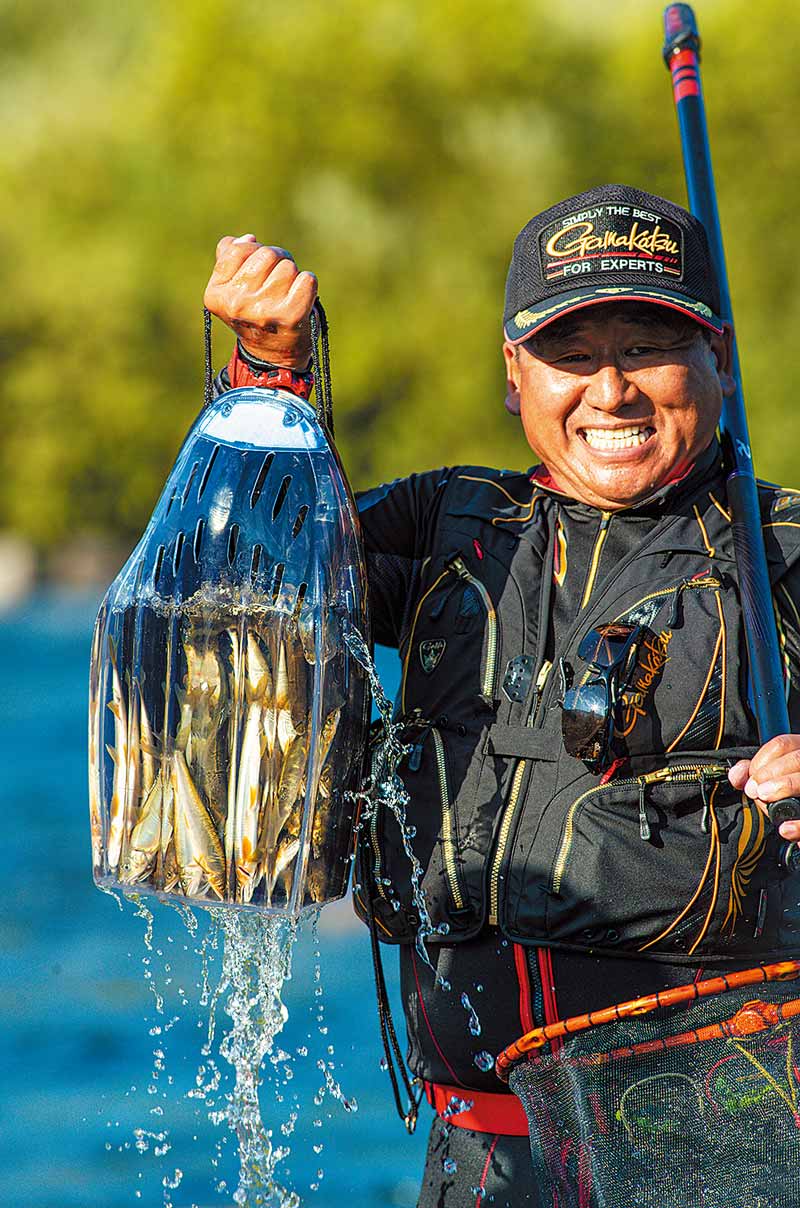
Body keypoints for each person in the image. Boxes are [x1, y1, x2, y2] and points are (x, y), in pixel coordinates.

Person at [204, 184, 800, 1207]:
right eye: (571, 354)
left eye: (648, 344)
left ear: (719, 360)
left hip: (718, 1155)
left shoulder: (779, 551)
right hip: (480, 1157)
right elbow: (244, 556)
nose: (610, 390)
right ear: (512, 373)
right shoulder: (450, 522)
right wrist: (271, 369)